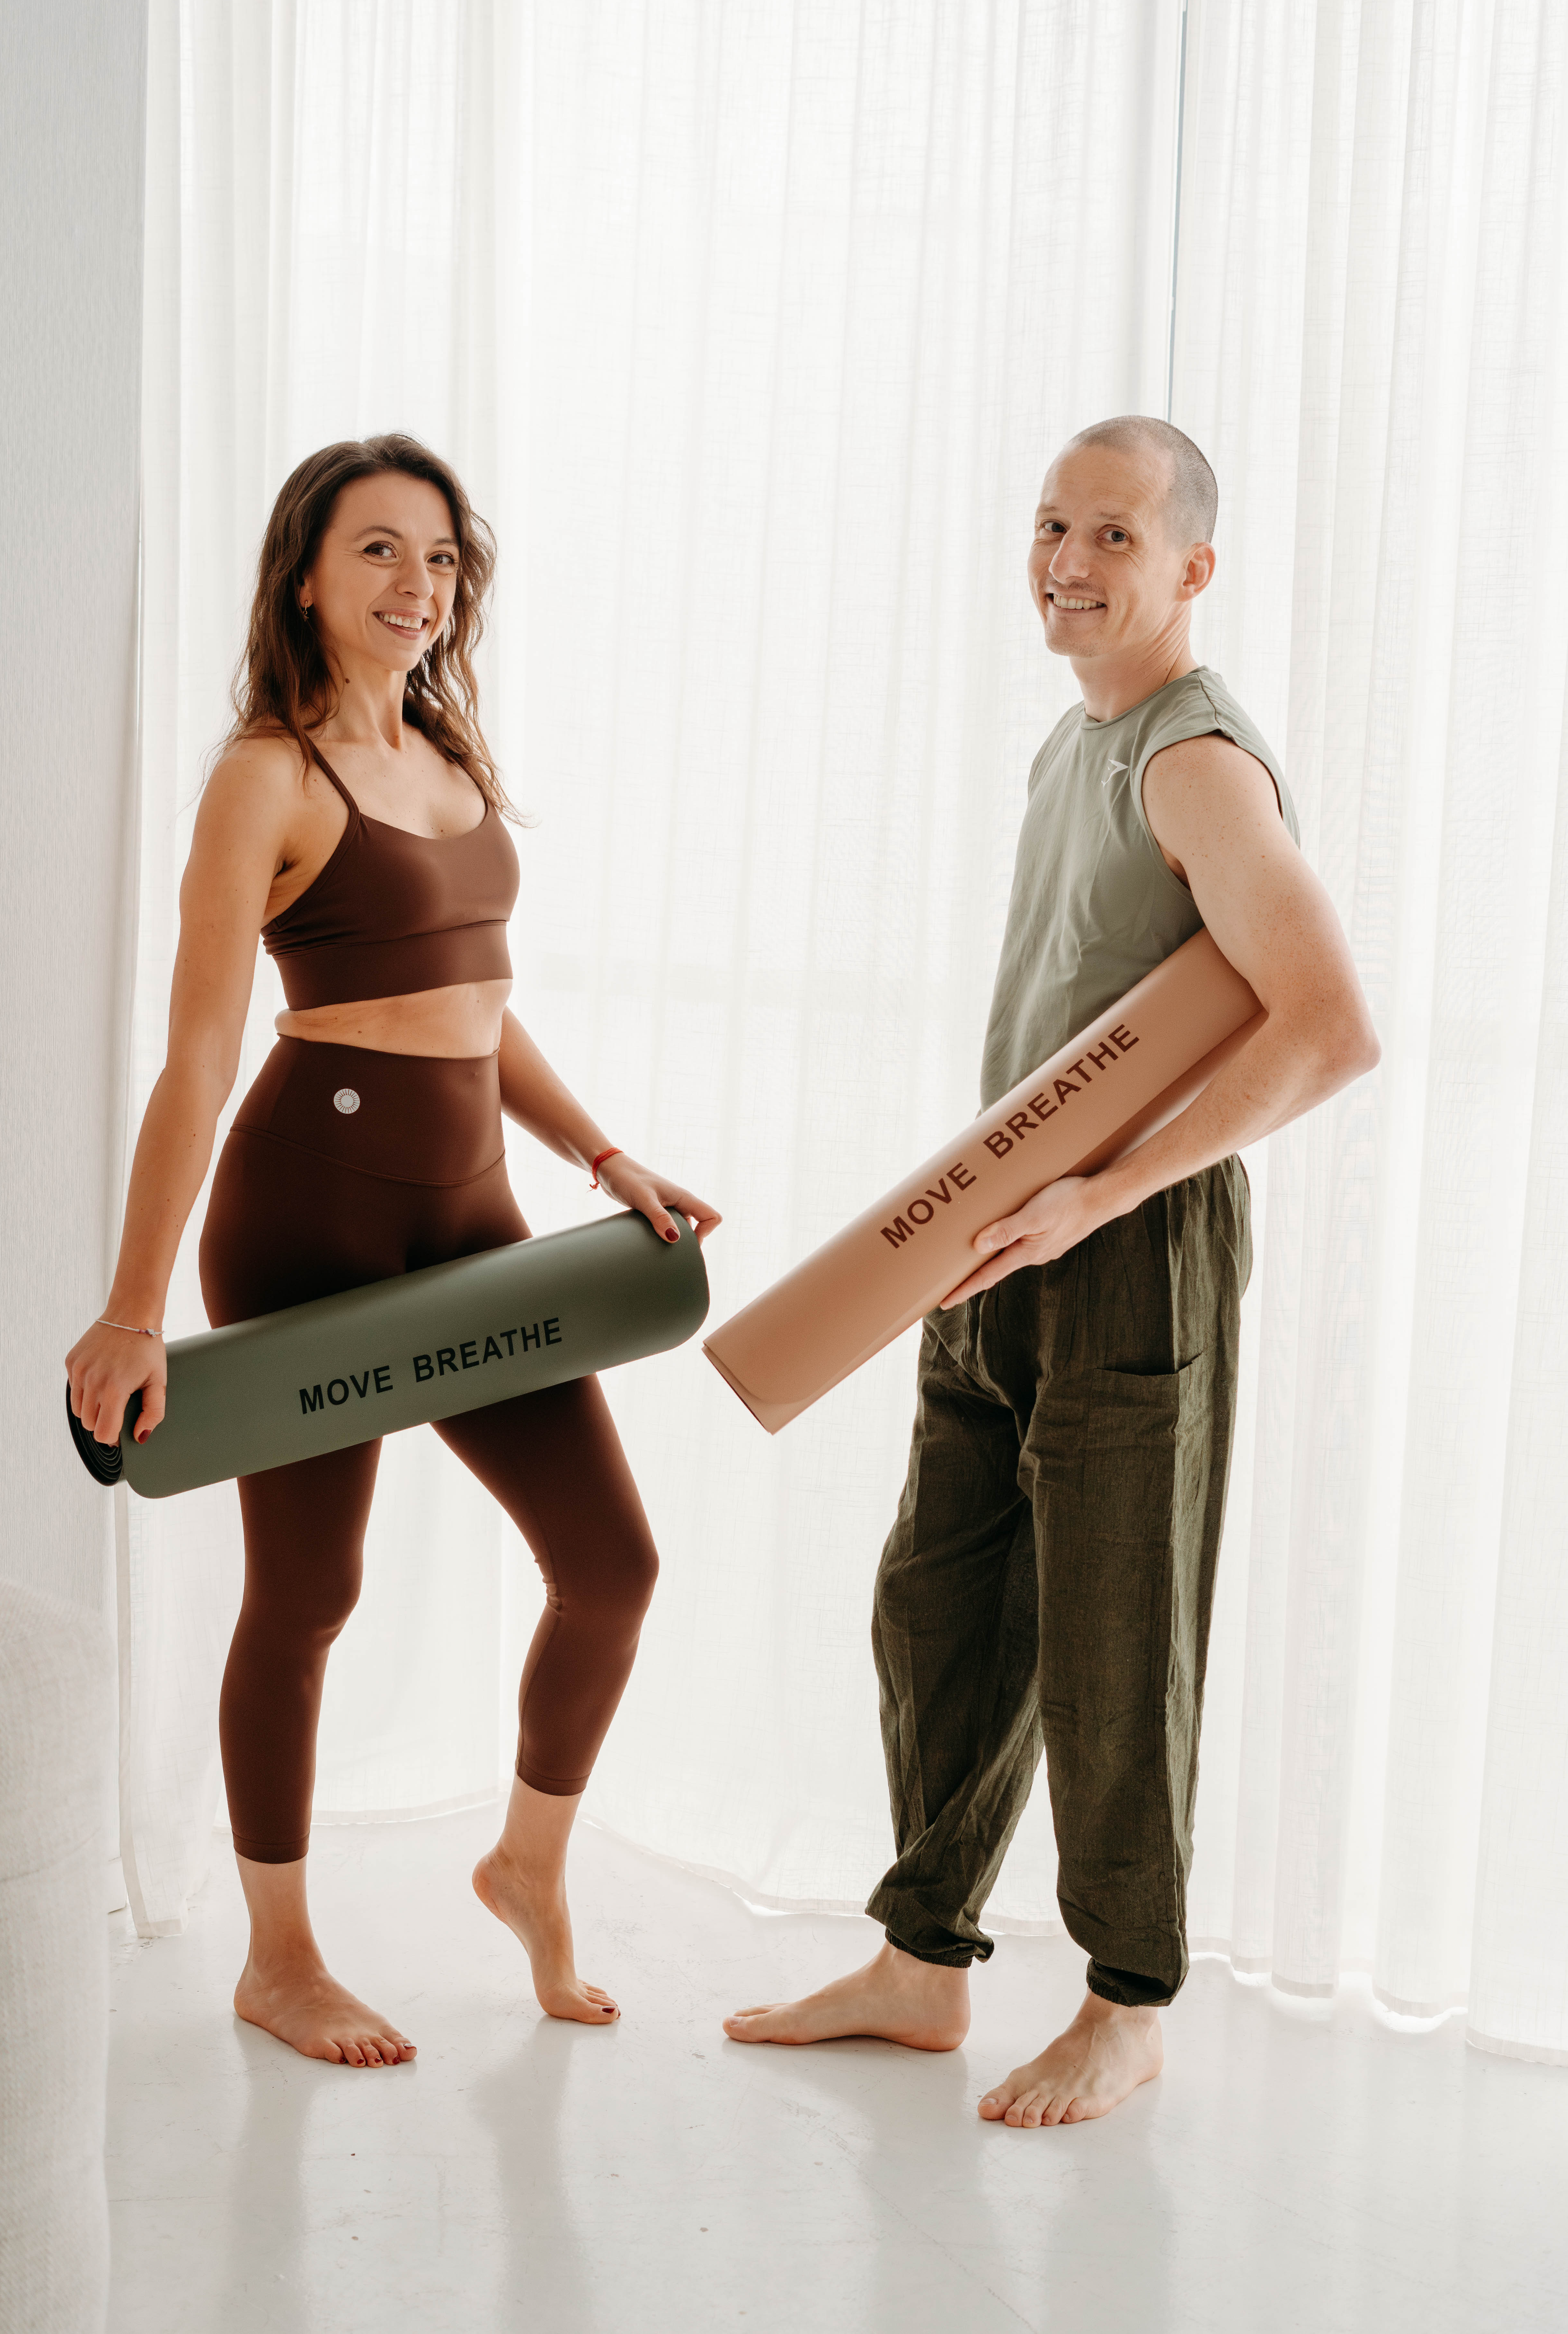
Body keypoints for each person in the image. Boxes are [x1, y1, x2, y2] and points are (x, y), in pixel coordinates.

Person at [722, 416, 1380, 2126]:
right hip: (997, 1231)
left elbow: (1329, 1028)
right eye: (1048, 526)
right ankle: (921, 1960)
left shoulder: (1191, 758)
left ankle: (1126, 2002)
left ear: (1190, 571)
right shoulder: (1073, 742)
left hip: (1122, 1245)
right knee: (936, 1596)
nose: (1066, 564)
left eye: (1109, 535)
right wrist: (1016, 1201)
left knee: (1109, 1638)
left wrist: (1103, 1194)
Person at [66, 433, 718, 2068]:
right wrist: (132, 1311)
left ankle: (523, 1864)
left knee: (611, 1566)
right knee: (307, 1593)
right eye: (374, 551)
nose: (412, 584)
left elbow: (478, 1013)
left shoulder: (449, 753)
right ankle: (277, 1957)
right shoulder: (267, 777)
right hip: (309, 1214)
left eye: (435, 557)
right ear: (304, 572)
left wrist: (605, 1153)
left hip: (474, 1211)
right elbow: (202, 1057)